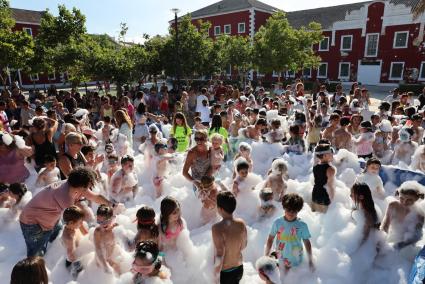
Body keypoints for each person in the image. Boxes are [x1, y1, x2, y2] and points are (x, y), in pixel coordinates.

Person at [19, 167, 121, 257]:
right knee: (37, 252)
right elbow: (77, 221)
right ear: (82, 186)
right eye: (88, 185)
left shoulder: (73, 184)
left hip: (50, 217)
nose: (89, 188)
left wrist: (111, 204)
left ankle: (50, 252)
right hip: (31, 222)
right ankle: (33, 270)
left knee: (56, 233)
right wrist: (89, 237)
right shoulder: (66, 197)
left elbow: (95, 196)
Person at [264, 193, 314, 273]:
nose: (291, 213)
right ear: (284, 208)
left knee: (293, 275)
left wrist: (310, 260)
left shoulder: (302, 225)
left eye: (294, 211)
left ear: (298, 210)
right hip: (281, 257)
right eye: (288, 210)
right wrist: (266, 255)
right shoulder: (277, 223)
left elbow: (307, 242)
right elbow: (270, 238)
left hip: (296, 259)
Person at [212, 191, 247, 284]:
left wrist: (215, 276)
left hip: (226, 272)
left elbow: (220, 253)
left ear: (220, 209)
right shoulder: (241, 223)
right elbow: (244, 245)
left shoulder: (217, 228)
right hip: (239, 268)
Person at [381, 182, 425, 250]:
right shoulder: (393, 206)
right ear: (398, 195)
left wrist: (398, 246)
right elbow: (385, 224)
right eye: (401, 198)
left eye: (409, 200)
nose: (404, 202)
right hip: (392, 238)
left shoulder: (419, 214)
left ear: (416, 199)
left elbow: (415, 237)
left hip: (407, 246)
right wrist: (381, 241)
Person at [94, 204, 121, 274]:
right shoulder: (98, 232)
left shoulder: (116, 227)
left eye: (105, 221)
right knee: (117, 269)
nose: (102, 224)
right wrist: (105, 265)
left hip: (113, 255)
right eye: (99, 222)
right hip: (102, 260)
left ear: (112, 218)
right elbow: (98, 249)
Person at [62, 205, 87, 278]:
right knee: (78, 273)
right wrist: (78, 263)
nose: (81, 223)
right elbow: (71, 255)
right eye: (80, 222)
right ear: (71, 223)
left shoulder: (70, 227)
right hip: (74, 260)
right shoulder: (69, 238)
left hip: (73, 250)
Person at [311, 143, 336, 213]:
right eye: (330, 153)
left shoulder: (315, 167)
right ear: (325, 156)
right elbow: (330, 186)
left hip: (315, 194)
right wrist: (333, 202)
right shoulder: (330, 169)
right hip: (324, 196)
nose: (332, 155)